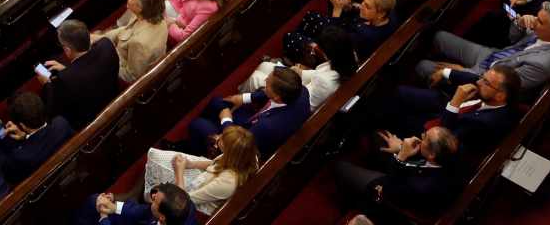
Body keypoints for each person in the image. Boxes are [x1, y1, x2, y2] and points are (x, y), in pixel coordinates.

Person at [417, 3, 550, 91]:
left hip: (486, 79)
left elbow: (500, 87)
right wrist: (519, 24)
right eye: (537, 17)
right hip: (494, 56)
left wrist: (459, 72)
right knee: (440, 37)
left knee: (422, 66)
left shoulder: (542, 64)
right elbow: (513, 39)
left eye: (539, 21)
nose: (534, 21)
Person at [333, 126, 461, 217]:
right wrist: (399, 148)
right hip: (406, 173)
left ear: (432, 154)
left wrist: (400, 156)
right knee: (379, 135)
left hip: (389, 191)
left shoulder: (422, 187)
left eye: (425, 137)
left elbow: (389, 190)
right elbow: (420, 165)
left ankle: (352, 202)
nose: (421, 136)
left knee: (340, 166)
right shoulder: (445, 158)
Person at [188, 65, 310, 158]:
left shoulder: (266, 127)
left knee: (198, 124)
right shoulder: (301, 91)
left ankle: (198, 154)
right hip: (255, 122)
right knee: (217, 102)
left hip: (243, 146)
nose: (265, 80)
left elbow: (237, 144)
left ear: (277, 97)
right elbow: (267, 93)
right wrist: (246, 98)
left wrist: (226, 119)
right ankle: (207, 136)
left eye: (268, 83)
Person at [142, 126, 257, 218]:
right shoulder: (244, 156)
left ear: (231, 153)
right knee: (160, 157)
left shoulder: (227, 183)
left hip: (196, 205)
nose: (218, 139)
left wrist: (179, 171)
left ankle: (150, 207)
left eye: (222, 141)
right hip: (208, 179)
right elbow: (216, 163)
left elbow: (183, 201)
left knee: (159, 162)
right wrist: (191, 164)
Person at [40, 18, 120, 129]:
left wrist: (46, 85)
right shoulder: (106, 45)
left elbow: (54, 110)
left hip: (93, 122)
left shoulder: (64, 80)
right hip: (115, 100)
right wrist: (67, 70)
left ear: (67, 50)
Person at [93, 0, 170, 82]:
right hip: (117, 49)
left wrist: (105, 58)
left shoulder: (139, 43)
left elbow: (131, 77)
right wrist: (101, 38)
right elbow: (125, 31)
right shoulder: (150, 15)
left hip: (116, 63)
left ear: (140, 7)